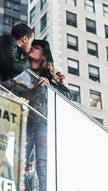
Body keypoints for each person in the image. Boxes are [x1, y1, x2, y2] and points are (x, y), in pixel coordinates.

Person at [25, 39, 70, 191]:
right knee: (21, 160)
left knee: (42, 163)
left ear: (44, 55)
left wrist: (51, 84)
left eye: (36, 48)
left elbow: (67, 98)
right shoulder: (22, 70)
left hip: (43, 124)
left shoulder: (51, 77)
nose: (31, 49)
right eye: (31, 46)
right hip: (24, 122)